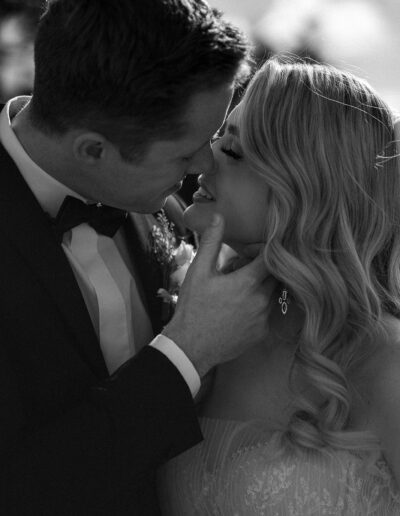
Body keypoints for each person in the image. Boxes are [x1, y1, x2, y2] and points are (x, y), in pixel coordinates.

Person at [0, 1, 276, 514]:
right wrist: (187, 353)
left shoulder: (164, 203)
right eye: (185, 151)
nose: (205, 164)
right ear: (93, 150)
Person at [158, 56, 400, 514]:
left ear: (306, 184)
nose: (202, 161)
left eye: (231, 151)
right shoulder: (198, 328)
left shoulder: (386, 361)